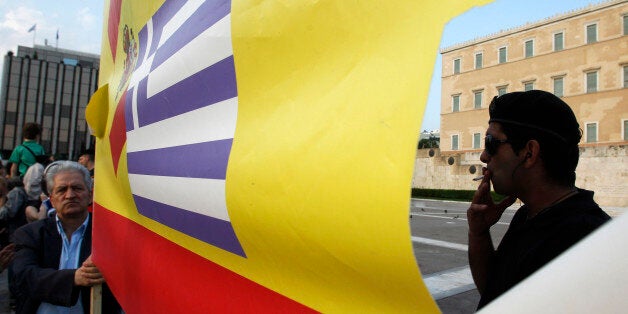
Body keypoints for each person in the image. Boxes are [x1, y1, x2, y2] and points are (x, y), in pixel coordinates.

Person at [467, 90, 611, 309]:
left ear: (530, 153)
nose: (484, 156)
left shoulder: (585, 243)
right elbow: (494, 293)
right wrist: (478, 233)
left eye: (491, 143)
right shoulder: (527, 215)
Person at [12, 161, 120, 313]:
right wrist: (74, 278)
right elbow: (24, 277)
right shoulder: (30, 234)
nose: (70, 195)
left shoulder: (110, 235)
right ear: (51, 200)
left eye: (77, 188)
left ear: (90, 195)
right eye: (62, 190)